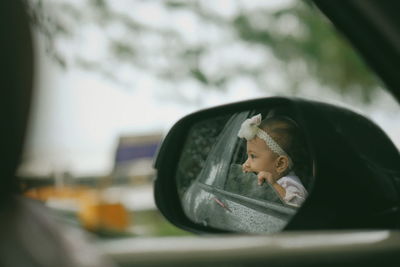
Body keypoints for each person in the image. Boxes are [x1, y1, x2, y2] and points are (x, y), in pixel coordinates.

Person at [238, 113, 308, 207]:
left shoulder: (289, 184)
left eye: (253, 156)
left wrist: (274, 185)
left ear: (280, 164)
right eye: (248, 156)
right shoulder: (261, 184)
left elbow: (298, 205)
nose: (245, 164)